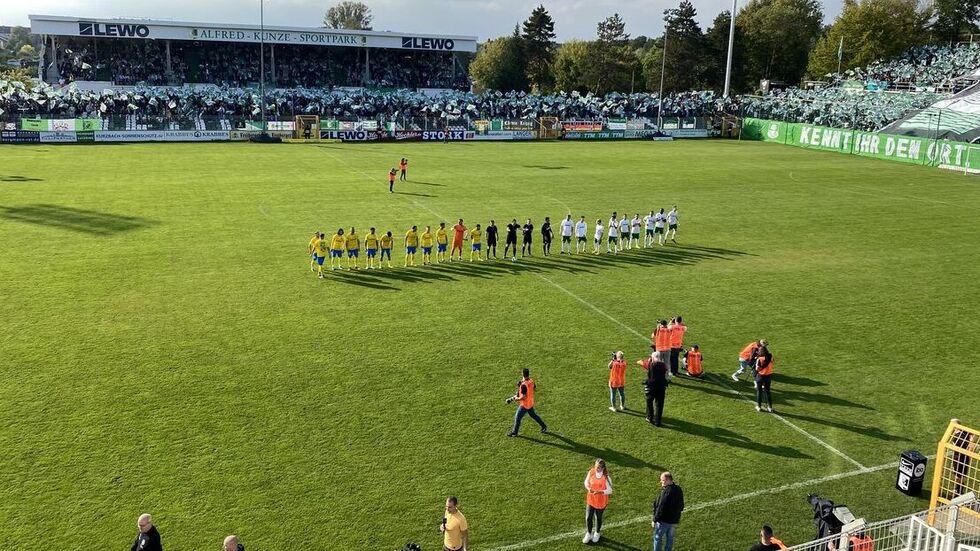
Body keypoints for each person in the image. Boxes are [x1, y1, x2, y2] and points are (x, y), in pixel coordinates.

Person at [508, 368, 548, 436]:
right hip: (530, 402)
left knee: (517, 417)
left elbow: (523, 397)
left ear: (522, 374)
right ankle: (544, 426)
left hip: (524, 405)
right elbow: (534, 388)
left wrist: (517, 399)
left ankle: (515, 432)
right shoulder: (531, 381)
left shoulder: (523, 385)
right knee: (534, 415)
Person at [652, 472, 684, 551]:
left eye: (662, 480)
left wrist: (654, 520)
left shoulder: (666, 492)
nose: (661, 482)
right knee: (670, 539)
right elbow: (682, 506)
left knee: (657, 538)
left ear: (667, 480)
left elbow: (660, 507)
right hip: (674, 521)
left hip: (664, 522)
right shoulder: (678, 489)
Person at [583, 458, 612, 544]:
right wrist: (588, 488)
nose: (596, 469)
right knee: (588, 517)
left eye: (599, 467)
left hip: (601, 501)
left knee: (598, 518)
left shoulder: (606, 477)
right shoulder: (591, 472)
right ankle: (588, 533)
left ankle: (597, 532)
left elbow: (610, 490)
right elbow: (586, 482)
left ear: (603, 468)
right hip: (591, 499)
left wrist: (600, 491)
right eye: (596, 466)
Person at [951, 418, 979, 497]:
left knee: (957, 475)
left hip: (959, 457)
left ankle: (958, 490)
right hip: (965, 457)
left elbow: (969, 443)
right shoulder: (964, 431)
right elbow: (974, 435)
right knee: (960, 474)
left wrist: (971, 445)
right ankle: (959, 488)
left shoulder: (957, 436)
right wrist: (971, 441)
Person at [639, 351, 669, 426]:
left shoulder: (651, 364)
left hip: (652, 387)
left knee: (649, 402)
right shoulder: (663, 365)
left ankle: (650, 417)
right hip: (661, 387)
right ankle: (658, 421)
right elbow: (665, 370)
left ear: (653, 357)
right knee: (659, 405)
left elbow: (643, 363)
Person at [754, 346, 774, 412]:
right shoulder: (771, 357)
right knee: (768, 392)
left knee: (759, 392)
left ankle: (759, 407)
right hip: (768, 376)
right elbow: (772, 362)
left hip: (760, 376)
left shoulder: (759, 359)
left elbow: (757, 369)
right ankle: (770, 407)